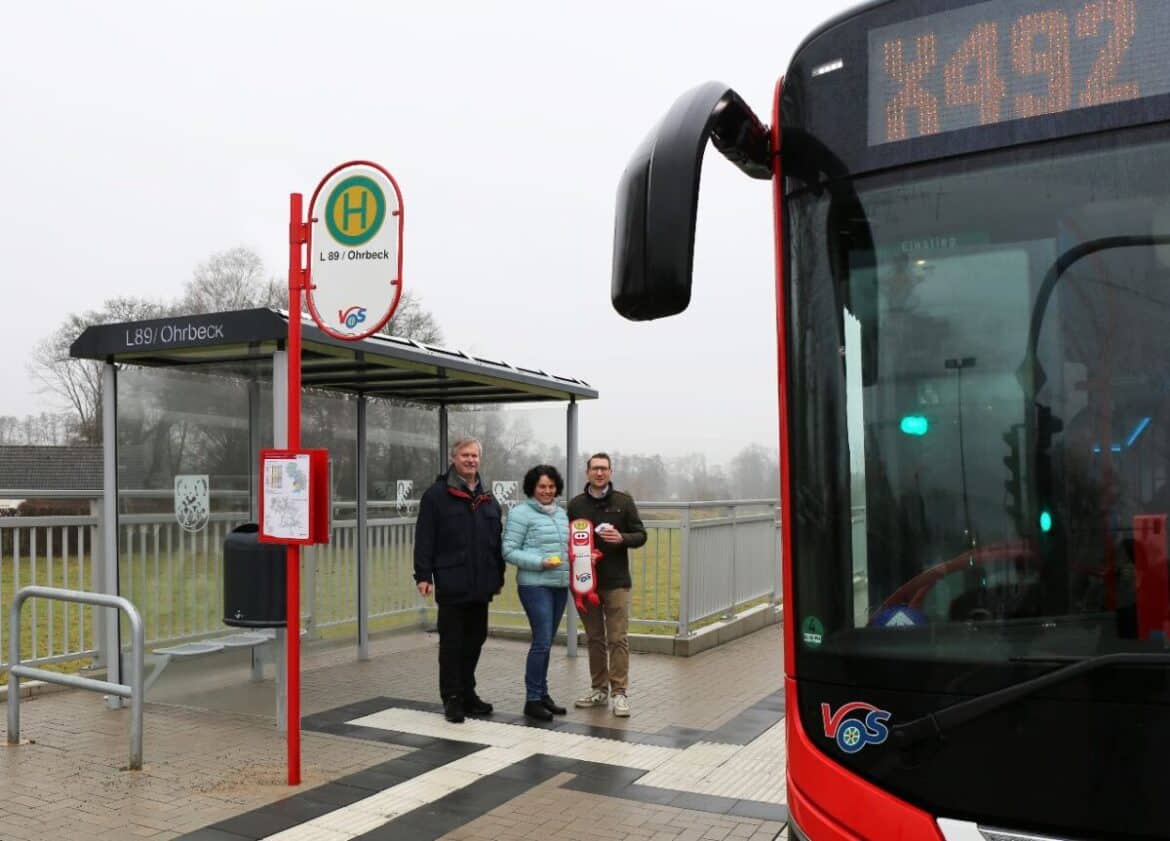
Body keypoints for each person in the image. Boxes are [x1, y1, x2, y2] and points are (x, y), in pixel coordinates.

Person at [414, 437, 505, 723]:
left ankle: (468, 693)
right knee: (452, 643)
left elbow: (495, 541)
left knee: (475, 639)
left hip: (481, 583)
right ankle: (452, 697)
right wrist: (423, 574)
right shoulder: (436, 495)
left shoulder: (488, 497)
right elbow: (425, 538)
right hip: (452, 580)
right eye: (465, 455)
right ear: (454, 459)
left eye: (475, 455)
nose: (470, 460)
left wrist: (498, 575)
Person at [567, 452, 646, 717]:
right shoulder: (576, 504)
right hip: (585, 583)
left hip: (616, 582)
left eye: (604, 469)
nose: (599, 473)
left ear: (610, 472)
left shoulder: (624, 502)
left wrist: (622, 538)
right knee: (595, 639)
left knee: (617, 638)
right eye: (595, 469)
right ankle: (598, 690)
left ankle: (620, 693)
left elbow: (641, 535)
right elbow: (566, 538)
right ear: (587, 472)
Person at [503, 464, 571, 721]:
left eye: (551, 486)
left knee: (547, 642)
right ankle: (532, 699)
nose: (547, 490)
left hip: (559, 585)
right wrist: (540, 562)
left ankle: (542, 694)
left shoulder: (562, 514)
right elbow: (509, 550)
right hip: (535, 585)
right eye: (542, 486)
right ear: (532, 487)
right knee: (541, 641)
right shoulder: (520, 514)